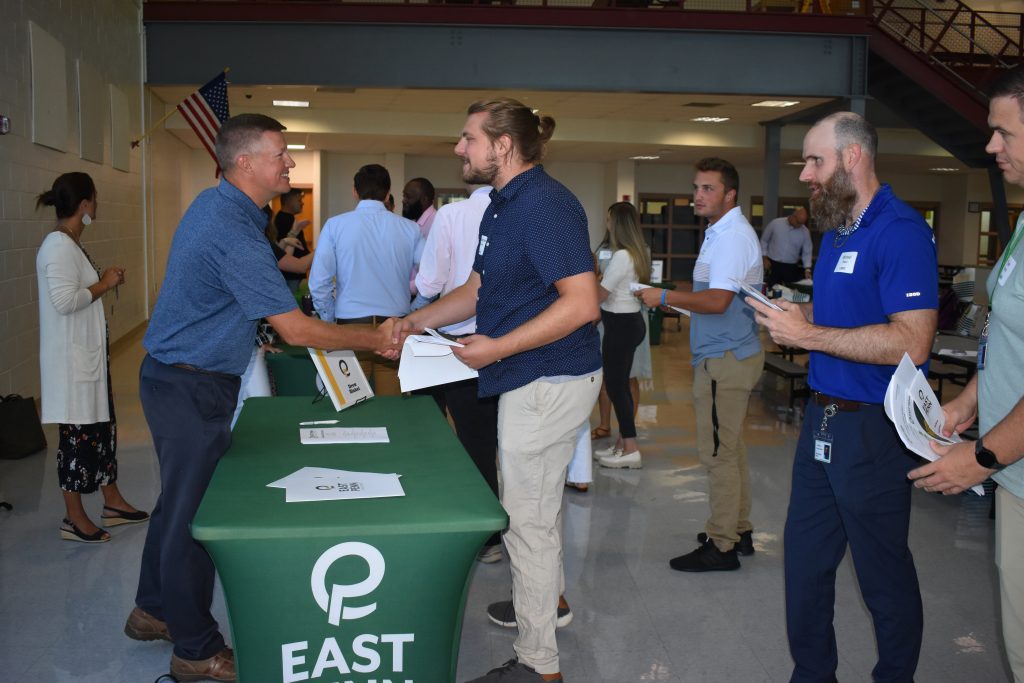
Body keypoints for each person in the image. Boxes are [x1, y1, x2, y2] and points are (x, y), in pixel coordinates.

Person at [126, 114, 396, 683]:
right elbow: (296, 330)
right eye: (281, 153)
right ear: (245, 162)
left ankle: (152, 609)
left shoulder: (223, 207)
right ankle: (195, 651)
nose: (290, 163)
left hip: (179, 376)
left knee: (178, 505)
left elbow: (243, 302)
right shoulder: (231, 228)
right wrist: (375, 338)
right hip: (189, 383)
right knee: (194, 516)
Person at [393, 98, 601, 683]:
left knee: (525, 518)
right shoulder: (499, 206)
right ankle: (548, 600)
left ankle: (539, 666)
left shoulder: (545, 205)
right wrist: (417, 320)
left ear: (502, 146)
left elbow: (582, 304)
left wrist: (498, 347)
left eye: (468, 139)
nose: (459, 148)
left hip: (547, 378)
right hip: (527, 374)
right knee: (537, 505)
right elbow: (478, 288)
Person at [747, 112, 937, 682]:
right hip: (822, 422)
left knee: (882, 574)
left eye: (815, 161)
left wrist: (808, 336)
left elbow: (913, 340)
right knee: (804, 567)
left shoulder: (899, 230)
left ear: (852, 158)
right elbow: (840, 318)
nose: (805, 174)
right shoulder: (836, 232)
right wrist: (800, 316)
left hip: (874, 430)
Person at [907, 64, 1024, 681]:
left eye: (1004, 132)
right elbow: (1009, 339)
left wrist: (979, 458)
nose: (990, 146)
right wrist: (967, 403)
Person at [636, 157, 764, 572]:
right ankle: (738, 528)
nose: (698, 196)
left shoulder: (730, 237)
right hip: (728, 353)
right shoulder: (721, 233)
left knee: (717, 453)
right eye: (696, 187)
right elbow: (714, 292)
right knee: (732, 447)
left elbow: (717, 301)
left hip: (724, 359)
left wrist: (666, 298)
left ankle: (722, 544)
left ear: (730, 194)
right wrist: (669, 294)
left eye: (708, 189)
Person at [35, 172, 148, 544]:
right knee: (77, 439)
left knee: (101, 432)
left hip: (88, 361)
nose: (96, 206)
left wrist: (100, 282)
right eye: (94, 199)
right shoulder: (57, 246)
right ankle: (74, 517)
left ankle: (112, 502)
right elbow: (64, 302)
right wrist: (105, 283)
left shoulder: (70, 243)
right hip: (71, 366)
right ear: (84, 204)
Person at [412, 183, 503, 563]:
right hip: (509, 342)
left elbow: (431, 283)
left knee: (441, 433)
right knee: (491, 441)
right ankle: (492, 539)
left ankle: (449, 522)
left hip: (456, 342)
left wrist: (413, 311)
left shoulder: (452, 215)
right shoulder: (514, 212)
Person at [309, 164, 423, 396]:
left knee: (350, 408)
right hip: (395, 329)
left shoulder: (335, 226)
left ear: (354, 191)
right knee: (393, 412)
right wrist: (415, 312)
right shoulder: (410, 229)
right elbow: (433, 279)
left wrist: (330, 321)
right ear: (387, 192)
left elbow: (318, 283)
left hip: (349, 327)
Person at [595, 201, 651, 469]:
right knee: (621, 386)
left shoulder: (621, 256)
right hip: (630, 323)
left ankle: (630, 447)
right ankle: (622, 443)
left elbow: (601, 294)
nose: (607, 225)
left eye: (609, 220)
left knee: (617, 387)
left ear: (616, 224)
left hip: (620, 325)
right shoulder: (636, 253)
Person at [760, 206, 813, 287]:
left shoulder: (805, 232)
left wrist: (807, 269)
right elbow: (764, 240)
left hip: (790, 267)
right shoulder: (776, 223)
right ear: (793, 216)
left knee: (790, 292)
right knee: (770, 290)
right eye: (798, 222)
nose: (800, 225)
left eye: (802, 223)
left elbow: (807, 252)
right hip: (772, 264)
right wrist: (764, 257)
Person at [404, 177, 438, 295]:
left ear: (424, 199)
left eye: (408, 197)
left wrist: (403, 288)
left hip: (422, 295)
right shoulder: (414, 223)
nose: (404, 200)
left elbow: (433, 271)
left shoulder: (436, 222)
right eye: (403, 196)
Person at [273, 188, 311, 293]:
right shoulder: (282, 220)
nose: (302, 203)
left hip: (294, 275)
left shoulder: (290, 219)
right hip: (289, 276)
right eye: (299, 200)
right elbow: (282, 252)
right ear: (288, 200)